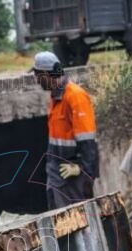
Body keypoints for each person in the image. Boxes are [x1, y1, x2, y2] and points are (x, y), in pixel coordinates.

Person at [31, 51, 98, 209]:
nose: (37, 80)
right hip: (56, 175)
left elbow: (88, 140)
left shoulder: (75, 96)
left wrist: (82, 169)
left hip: (72, 178)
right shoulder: (55, 97)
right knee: (58, 223)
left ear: (47, 75)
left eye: (38, 76)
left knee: (75, 223)